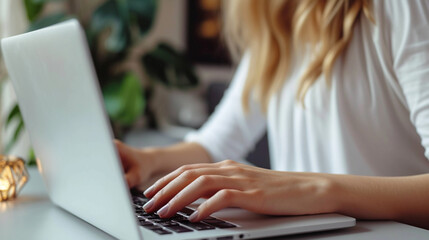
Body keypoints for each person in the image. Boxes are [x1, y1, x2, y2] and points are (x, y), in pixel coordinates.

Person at [115, 0, 429, 229]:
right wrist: (148, 159)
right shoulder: (279, 26)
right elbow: (217, 143)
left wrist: (314, 189)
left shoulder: (400, 8)